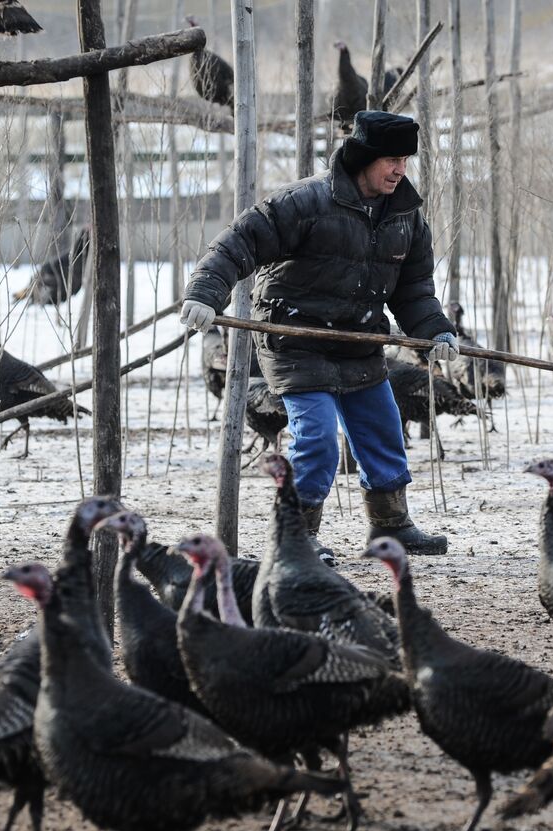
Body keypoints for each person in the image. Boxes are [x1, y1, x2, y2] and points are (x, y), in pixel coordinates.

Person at [180, 111, 460, 557]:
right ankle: (298, 534)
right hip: (295, 339)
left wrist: (435, 329)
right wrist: (205, 293)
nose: (400, 169)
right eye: (391, 159)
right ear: (364, 158)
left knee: (383, 433)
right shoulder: (306, 202)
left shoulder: (406, 217)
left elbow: (414, 290)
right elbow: (238, 243)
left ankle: (391, 525)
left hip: (359, 341)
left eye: (405, 159)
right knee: (316, 438)